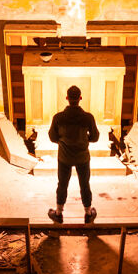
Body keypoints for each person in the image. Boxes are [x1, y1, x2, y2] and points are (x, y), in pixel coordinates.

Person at [47, 85, 99, 223]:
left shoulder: (58, 117)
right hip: (82, 157)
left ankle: (58, 214)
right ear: (80, 98)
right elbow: (95, 137)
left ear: (67, 98)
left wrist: (63, 141)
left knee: (62, 184)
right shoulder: (88, 117)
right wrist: (83, 139)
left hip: (64, 157)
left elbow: (52, 137)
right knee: (85, 184)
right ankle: (88, 214)